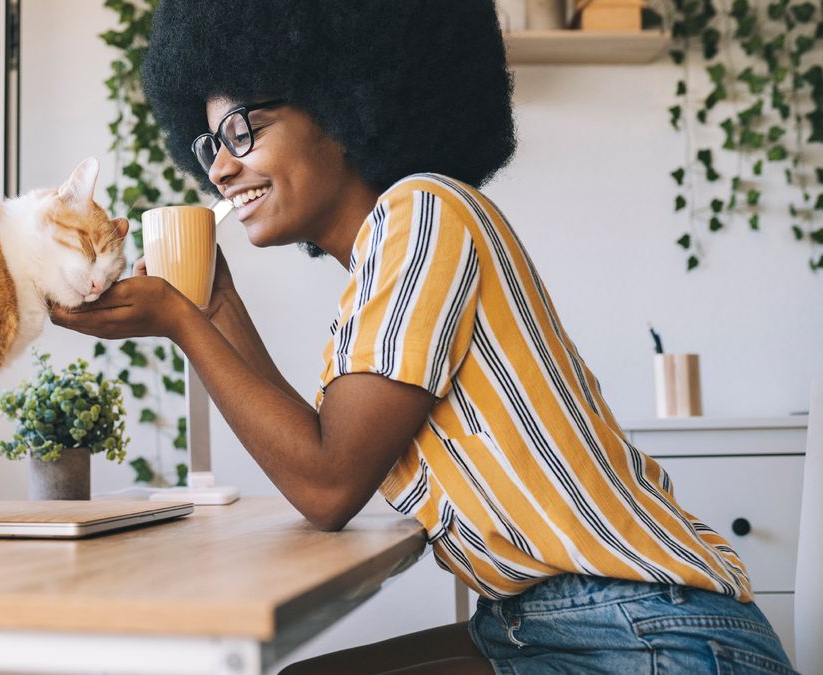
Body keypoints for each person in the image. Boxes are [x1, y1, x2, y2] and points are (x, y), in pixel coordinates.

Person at [50, 2, 796, 673]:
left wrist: (181, 322)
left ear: (342, 106)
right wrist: (212, 304)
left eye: (243, 127)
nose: (217, 166)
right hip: (540, 625)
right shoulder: (382, 267)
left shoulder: (424, 214)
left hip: (649, 630)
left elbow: (327, 481)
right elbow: (317, 445)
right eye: (209, 139)